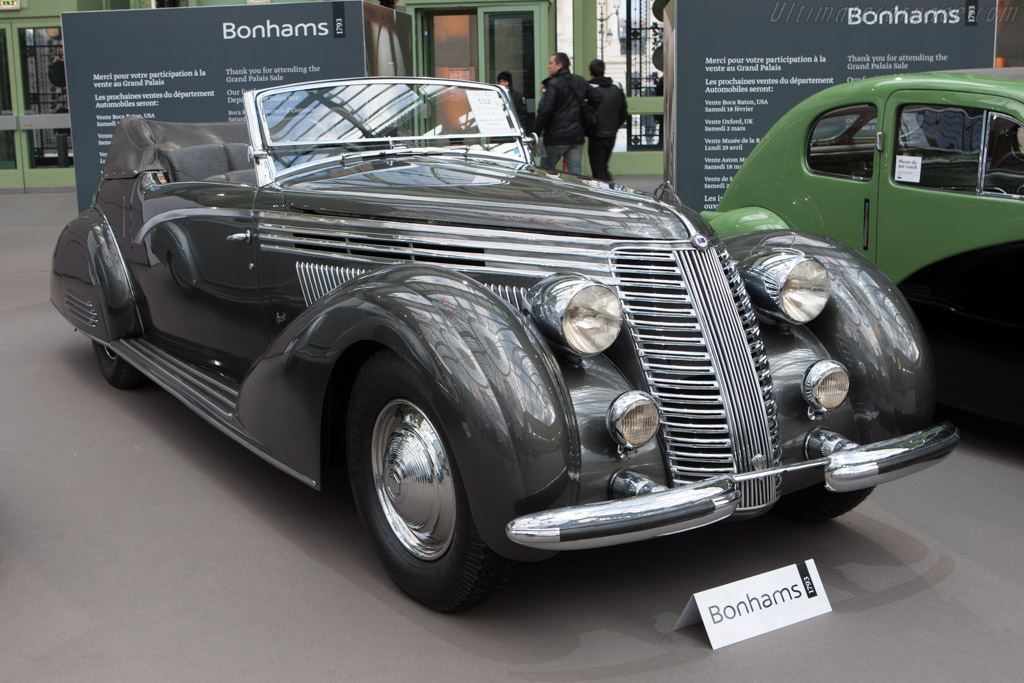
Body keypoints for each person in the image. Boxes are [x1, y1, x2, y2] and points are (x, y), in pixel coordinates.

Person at [533, 52, 588, 175]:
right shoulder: (580, 81)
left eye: (551, 63)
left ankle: (548, 194)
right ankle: (576, 194)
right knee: (576, 173)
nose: (548, 66)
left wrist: (535, 132)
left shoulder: (553, 84)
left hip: (556, 136)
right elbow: (595, 99)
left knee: (547, 171)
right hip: (576, 136)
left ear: (559, 65)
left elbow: (545, 110)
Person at [585, 59, 629, 182]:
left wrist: (589, 130)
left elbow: (586, 112)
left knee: (598, 169)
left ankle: (607, 191)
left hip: (596, 134)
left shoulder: (590, 90)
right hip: (610, 133)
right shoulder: (616, 89)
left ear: (590, 72)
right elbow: (623, 112)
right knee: (603, 166)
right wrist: (615, 126)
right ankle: (608, 187)